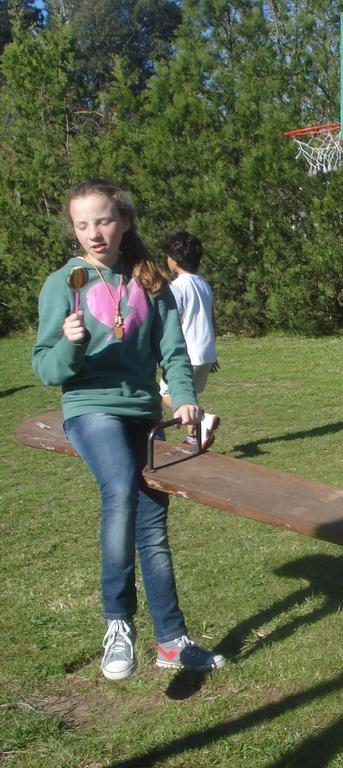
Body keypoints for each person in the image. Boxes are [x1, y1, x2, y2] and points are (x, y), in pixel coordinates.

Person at [32, 179, 226, 680]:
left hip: (143, 411)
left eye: (103, 221)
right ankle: (118, 623)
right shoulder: (63, 284)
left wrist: (184, 397)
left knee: (151, 527)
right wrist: (70, 343)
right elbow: (48, 370)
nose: (93, 233)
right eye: (82, 225)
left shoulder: (151, 282)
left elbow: (174, 353)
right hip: (89, 407)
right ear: (73, 230)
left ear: (124, 222)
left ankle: (171, 641)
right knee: (119, 488)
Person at [158, 231, 219, 449]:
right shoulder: (204, 285)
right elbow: (211, 319)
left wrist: (164, 353)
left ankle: (203, 417)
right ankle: (194, 439)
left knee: (163, 393)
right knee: (188, 396)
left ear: (173, 259)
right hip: (205, 351)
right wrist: (213, 352)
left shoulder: (177, 287)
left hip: (186, 353)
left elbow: (173, 323)